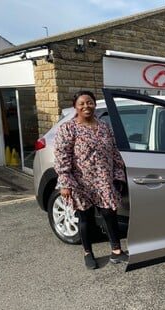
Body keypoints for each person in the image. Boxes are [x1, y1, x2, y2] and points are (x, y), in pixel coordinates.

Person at [54, 90, 128, 269]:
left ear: (94, 104)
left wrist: (118, 175)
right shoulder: (68, 128)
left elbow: (114, 152)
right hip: (81, 182)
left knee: (109, 215)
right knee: (85, 218)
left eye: (89, 102)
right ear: (76, 107)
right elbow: (62, 156)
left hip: (104, 180)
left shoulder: (104, 126)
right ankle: (88, 253)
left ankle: (116, 252)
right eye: (82, 103)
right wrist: (65, 182)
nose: (86, 106)